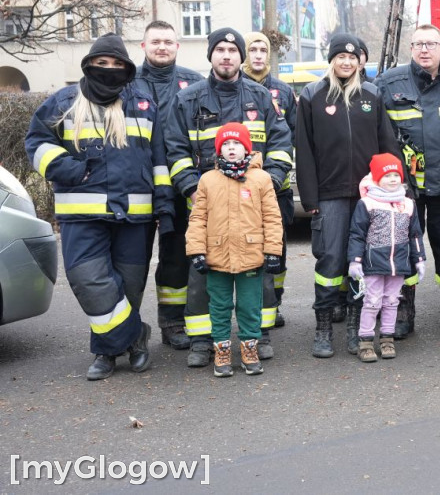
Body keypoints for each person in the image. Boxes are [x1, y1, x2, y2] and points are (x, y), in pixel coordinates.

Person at [26, 33, 174, 380]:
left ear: (127, 68)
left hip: (136, 215)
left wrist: (164, 204)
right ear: (89, 65)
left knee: (128, 286)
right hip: (82, 214)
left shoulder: (142, 102)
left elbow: (158, 158)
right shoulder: (64, 101)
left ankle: (106, 352)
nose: (109, 70)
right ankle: (135, 336)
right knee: (89, 280)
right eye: (101, 63)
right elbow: (37, 141)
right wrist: (71, 169)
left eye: (116, 65)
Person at [164, 28, 293, 367]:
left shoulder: (261, 97)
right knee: (201, 277)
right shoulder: (188, 99)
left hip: (252, 201)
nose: (226, 55)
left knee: (257, 274)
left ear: (241, 56)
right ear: (211, 55)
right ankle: (204, 342)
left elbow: (281, 143)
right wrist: (192, 189)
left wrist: (272, 179)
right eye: (219, 49)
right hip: (207, 204)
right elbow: (174, 150)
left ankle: (259, 337)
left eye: (232, 50)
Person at [295, 32, 401, 358]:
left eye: (352, 57)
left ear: (359, 62)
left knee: (361, 263)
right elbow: (305, 152)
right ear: (332, 60)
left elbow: (388, 144)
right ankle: (323, 329)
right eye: (341, 56)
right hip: (329, 195)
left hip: (368, 196)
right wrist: (310, 199)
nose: (346, 61)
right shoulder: (312, 96)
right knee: (329, 261)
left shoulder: (371, 94)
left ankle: (357, 329)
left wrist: (397, 188)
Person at [376, 24, 440, 338]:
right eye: (419, 44)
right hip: (401, 192)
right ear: (410, 48)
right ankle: (402, 314)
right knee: (404, 249)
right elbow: (372, 134)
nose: (425, 50)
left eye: (431, 44)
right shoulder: (387, 84)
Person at [185, 123, 283, 377]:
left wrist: (273, 251)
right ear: (219, 150)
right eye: (226, 145)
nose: (231, 148)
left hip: (252, 256)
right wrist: (197, 251)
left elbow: (272, 217)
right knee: (219, 306)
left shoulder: (261, 179)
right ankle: (222, 351)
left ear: (246, 148)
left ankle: (250, 349)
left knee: (250, 306)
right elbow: (198, 219)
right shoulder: (207, 180)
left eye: (236, 144)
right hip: (217, 256)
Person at [132, 20, 203, 350]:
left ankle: (173, 321)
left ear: (178, 47)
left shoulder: (195, 82)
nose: (162, 46)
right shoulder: (127, 82)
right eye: (155, 41)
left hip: (180, 186)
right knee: (132, 261)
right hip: (136, 186)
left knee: (176, 257)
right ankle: (127, 330)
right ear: (143, 46)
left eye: (168, 41)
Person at [347, 153, 427, 362]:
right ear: (376, 178)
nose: (392, 179)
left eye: (396, 175)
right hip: (374, 263)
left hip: (398, 264)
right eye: (387, 175)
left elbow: (415, 234)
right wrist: (355, 261)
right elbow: (357, 234)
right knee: (372, 301)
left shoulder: (408, 204)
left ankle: (387, 339)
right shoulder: (367, 204)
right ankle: (365, 341)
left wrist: (419, 259)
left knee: (392, 301)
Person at [242, 31, 297, 330]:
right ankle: (252, 306)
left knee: (277, 248)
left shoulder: (283, 92)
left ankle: (273, 303)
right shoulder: (235, 88)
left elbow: (291, 135)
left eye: (264, 49)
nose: (259, 55)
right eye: (253, 49)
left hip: (277, 188)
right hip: (241, 188)